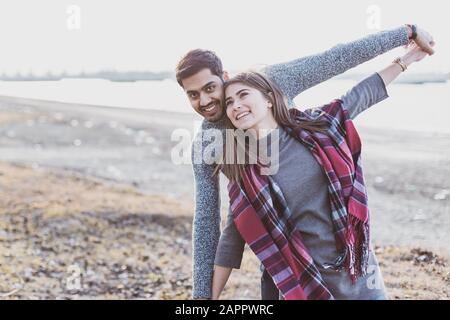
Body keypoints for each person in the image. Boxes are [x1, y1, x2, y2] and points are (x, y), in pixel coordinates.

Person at [174, 24, 434, 299]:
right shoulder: (211, 145)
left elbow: (337, 60)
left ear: (225, 77)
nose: (205, 101)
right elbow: (210, 220)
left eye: (210, 88)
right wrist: (203, 298)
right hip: (290, 264)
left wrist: (406, 34)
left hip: (343, 250)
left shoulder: (272, 83)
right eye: (193, 95)